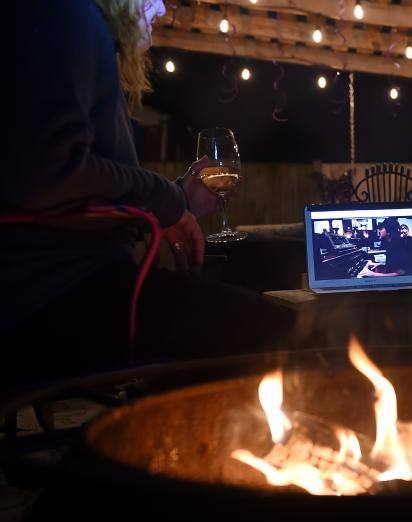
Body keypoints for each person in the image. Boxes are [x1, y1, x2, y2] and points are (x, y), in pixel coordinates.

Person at [1, 0, 295, 384]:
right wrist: (164, 198)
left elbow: (65, 188)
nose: (168, 6)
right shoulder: (65, 13)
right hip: (49, 300)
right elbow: (45, 173)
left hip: (54, 289)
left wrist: (178, 198)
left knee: (227, 313)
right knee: (274, 330)